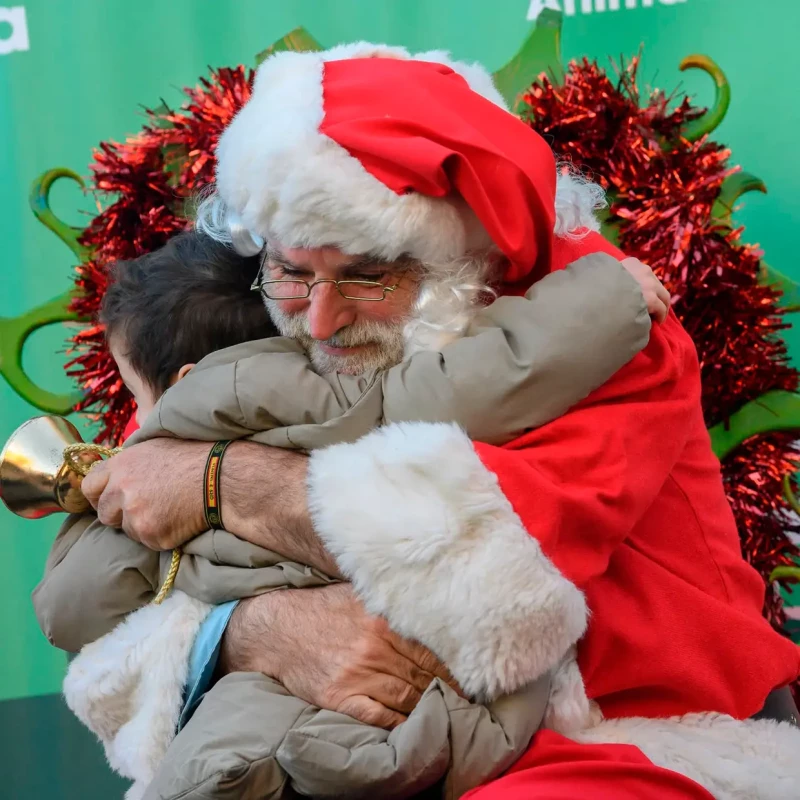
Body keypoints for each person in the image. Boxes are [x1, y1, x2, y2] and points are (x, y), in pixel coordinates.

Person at [74, 43, 800, 799]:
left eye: (366, 275)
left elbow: (468, 575)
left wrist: (219, 481)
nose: (320, 320)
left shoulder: (606, 340)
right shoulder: (268, 319)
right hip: (385, 739)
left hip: (632, 736)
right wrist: (248, 634)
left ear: (461, 263)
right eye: (293, 270)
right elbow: (107, 589)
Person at [37, 228, 664, 799]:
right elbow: (470, 382)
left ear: (187, 378)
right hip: (415, 700)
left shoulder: (208, 406)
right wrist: (608, 302)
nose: (134, 422)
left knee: (231, 744)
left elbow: (70, 602)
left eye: (368, 275)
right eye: (295, 275)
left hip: (315, 680)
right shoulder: (308, 393)